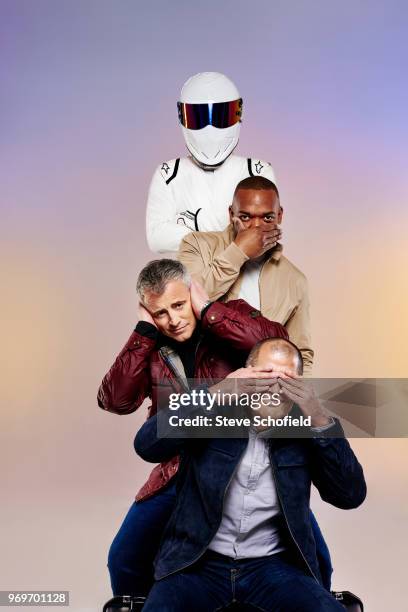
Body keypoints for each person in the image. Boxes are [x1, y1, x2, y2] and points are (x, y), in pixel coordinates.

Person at [98, 259, 287, 600]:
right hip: (179, 474)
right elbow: (115, 400)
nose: (173, 320)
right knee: (123, 559)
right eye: (159, 313)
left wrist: (211, 311)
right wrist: (143, 332)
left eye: (179, 305)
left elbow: (277, 343)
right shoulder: (153, 346)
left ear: (192, 294)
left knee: (315, 558)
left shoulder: (230, 319)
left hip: (244, 468)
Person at [135, 338, 367, 612]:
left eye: (286, 381)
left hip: (273, 567)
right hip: (197, 564)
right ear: (244, 374)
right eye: (264, 377)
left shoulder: (305, 426)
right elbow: (147, 445)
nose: (273, 389)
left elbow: (350, 495)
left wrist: (319, 419)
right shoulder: (211, 412)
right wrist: (214, 394)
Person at [179, 175, 313, 373]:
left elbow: (300, 353)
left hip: (260, 393)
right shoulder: (197, 245)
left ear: (280, 216)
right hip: (202, 388)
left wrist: (298, 400)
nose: (256, 228)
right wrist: (239, 251)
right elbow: (184, 304)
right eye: (245, 217)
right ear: (231, 213)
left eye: (267, 217)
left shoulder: (295, 279)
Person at [146, 71, 277, 254]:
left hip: (245, 279)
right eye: (198, 117)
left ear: (239, 113)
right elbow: (156, 238)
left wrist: (192, 234)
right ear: (182, 116)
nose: (209, 128)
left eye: (221, 116)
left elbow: (265, 235)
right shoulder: (169, 174)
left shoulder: (257, 171)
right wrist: (232, 239)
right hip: (191, 280)